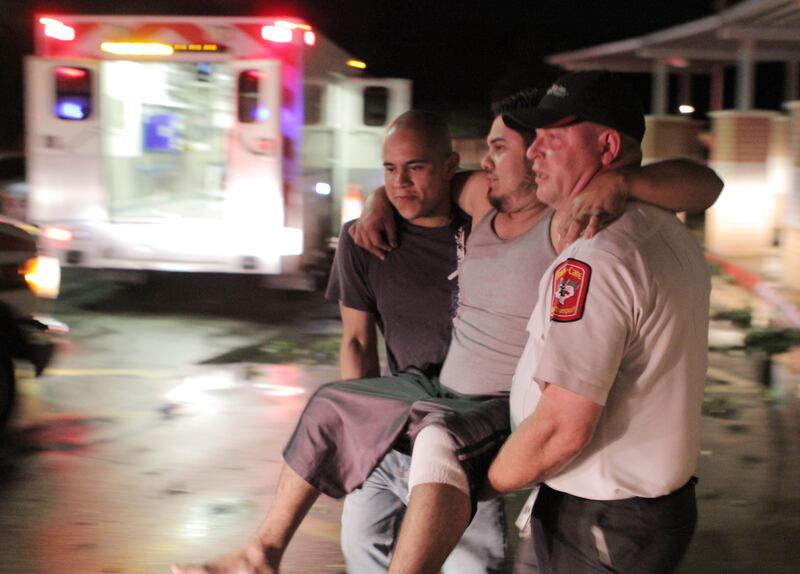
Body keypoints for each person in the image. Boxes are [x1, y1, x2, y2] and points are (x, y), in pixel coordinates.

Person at [171, 92, 722, 574]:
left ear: (534, 163)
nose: (489, 161)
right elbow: (421, 181)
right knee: (330, 403)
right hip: (436, 391)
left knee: (439, 454)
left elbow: (705, 183)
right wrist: (380, 198)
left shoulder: (564, 223)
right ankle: (261, 552)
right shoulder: (482, 200)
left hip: (491, 408)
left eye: (502, 149)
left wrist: (624, 180)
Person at [486, 70, 711, 573]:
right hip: (633, 517)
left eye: (553, 138)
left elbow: (561, 430)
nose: (532, 152)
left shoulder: (598, 259)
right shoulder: (660, 228)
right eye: (534, 139)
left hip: (602, 523)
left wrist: (478, 482)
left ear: (607, 147)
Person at [326, 110, 506, 574]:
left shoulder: (488, 231)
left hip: (464, 439)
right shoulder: (363, 240)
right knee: (364, 557)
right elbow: (356, 342)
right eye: (389, 169)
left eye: (416, 167)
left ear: (450, 166)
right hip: (388, 435)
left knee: (470, 568)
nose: (400, 182)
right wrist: (361, 434)